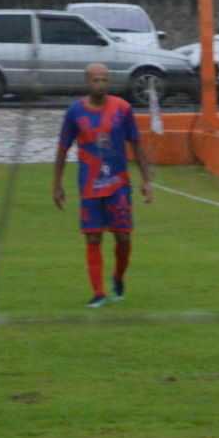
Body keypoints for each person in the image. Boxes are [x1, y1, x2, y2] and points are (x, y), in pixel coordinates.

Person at [53, 62, 152, 309]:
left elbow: (137, 143)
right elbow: (63, 148)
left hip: (118, 183)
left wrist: (146, 180)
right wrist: (57, 184)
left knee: (123, 237)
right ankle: (98, 293)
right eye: (96, 80)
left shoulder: (122, 109)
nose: (101, 84)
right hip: (89, 185)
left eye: (104, 79)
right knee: (93, 238)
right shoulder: (75, 112)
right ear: (87, 82)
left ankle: (118, 278)